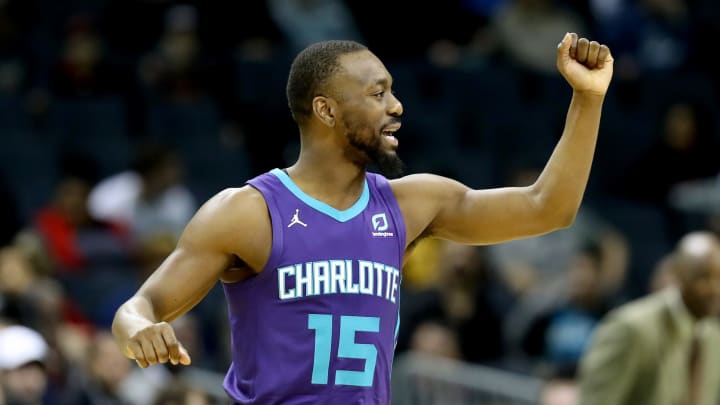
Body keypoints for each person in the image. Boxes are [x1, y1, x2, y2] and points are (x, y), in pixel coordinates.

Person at [112, 32, 614, 404]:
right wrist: (139, 328)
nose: (396, 106)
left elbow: (548, 208)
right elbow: (140, 305)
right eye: (377, 94)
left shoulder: (410, 203)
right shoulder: (248, 211)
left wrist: (588, 99)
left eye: (391, 91)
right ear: (326, 111)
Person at [577, 231, 720, 405]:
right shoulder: (631, 328)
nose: (715, 290)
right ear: (679, 275)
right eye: (704, 278)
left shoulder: (713, 336)